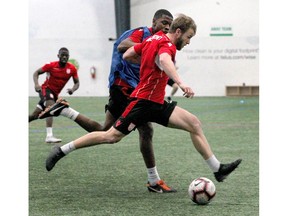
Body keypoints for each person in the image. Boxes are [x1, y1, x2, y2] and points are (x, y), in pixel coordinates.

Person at [44, 14, 242, 189]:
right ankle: (61, 150)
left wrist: (148, 61)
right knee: (110, 136)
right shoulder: (167, 44)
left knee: (194, 123)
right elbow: (164, 61)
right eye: (189, 37)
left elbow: (129, 54)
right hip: (143, 102)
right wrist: (180, 83)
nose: (189, 42)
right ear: (179, 31)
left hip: (156, 102)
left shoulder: (152, 39)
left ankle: (218, 169)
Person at [39, 9, 176, 193]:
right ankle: (153, 181)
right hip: (124, 86)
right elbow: (122, 45)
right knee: (145, 129)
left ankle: (65, 111)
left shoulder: (161, 43)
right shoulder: (143, 33)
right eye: (164, 22)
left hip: (128, 88)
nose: (167, 26)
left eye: (170, 24)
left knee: (104, 130)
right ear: (154, 21)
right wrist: (147, 48)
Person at [29, 47, 79, 143]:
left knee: (34, 115)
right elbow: (36, 73)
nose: (64, 57)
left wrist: (72, 89)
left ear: (69, 57)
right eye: (62, 55)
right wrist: (36, 84)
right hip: (45, 90)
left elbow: (77, 83)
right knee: (51, 107)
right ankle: (49, 136)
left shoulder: (72, 69)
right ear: (58, 56)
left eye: (66, 55)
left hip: (55, 94)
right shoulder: (51, 65)